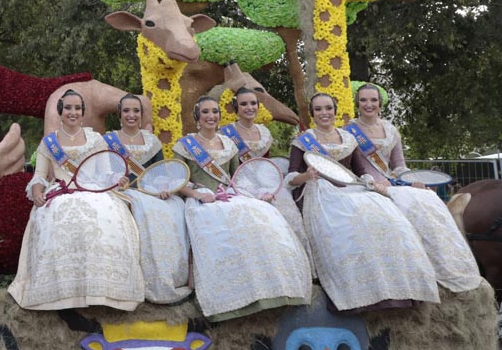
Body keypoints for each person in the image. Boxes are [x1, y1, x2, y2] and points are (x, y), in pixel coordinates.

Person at [286, 93, 439, 311]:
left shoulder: (349, 139)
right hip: (319, 190)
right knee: (350, 219)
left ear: (335, 110)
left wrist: (370, 183)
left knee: (383, 213)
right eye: (318, 109)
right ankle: (356, 291)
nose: (324, 113)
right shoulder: (303, 141)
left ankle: (398, 288)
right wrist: (306, 176)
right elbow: (290, 177)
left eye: (328, 108)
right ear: (312, 114)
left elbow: (359, 172)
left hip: (351, 189)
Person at [173, 96, 311, 320]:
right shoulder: (185, 146)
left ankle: (270, 285)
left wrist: (254, 195)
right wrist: (197, 194)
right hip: (202, 199)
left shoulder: (228, 145)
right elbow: (179, 180)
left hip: (230, 195)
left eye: (215, 112)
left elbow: (238, 177)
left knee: (262, 214)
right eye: (205, 112)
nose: (211, 116)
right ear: (197, 117)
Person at [8, 89, 143, 310]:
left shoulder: (95, 139)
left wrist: (117, 179)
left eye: (77, 108)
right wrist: (37, 192)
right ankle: (66, 293)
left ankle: (105, 291)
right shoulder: (48, 143)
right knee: (61, 217)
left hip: (95, 190)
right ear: (61, 112)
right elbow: (40, 176)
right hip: (63, 192)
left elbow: (106, 173)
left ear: (83, 112)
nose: (73, 112)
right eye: (68, 108)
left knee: (107, 214)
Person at [350, 83, 479, 294]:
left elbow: (399, 165)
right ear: (357, 103)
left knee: (428, 199)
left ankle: (444, 261)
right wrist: (374, 181)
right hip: (366, 184)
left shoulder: (391, 130)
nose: (368, 104)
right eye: (363, 100)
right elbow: (348, 167)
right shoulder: (348, 131)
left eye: (373, 100)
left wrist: (412, 180)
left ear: (380, 104)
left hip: (392, 183)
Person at [105, 94, 190, 304]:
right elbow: (103, 170)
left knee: (174, 209)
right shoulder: (108, 140)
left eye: (136, 111)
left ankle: (170, 278)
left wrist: (163, 186)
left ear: (142, 115)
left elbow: (159, 172)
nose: (131, 115)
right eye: (126, 111)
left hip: (150, 192)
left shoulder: (152, 142)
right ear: (119, 115)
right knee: (145, 212)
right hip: (121, 192)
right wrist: (115, 178)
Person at [221, 87, 308, 251]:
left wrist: (269, 188)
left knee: (289, 215)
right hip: (240, 184)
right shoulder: (226, 134)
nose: (249, 107)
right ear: (236, 108)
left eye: (253, 103)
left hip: (267, 181)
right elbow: (227, 166)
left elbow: (266, 163)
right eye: (244, 104)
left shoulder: (264, 132)